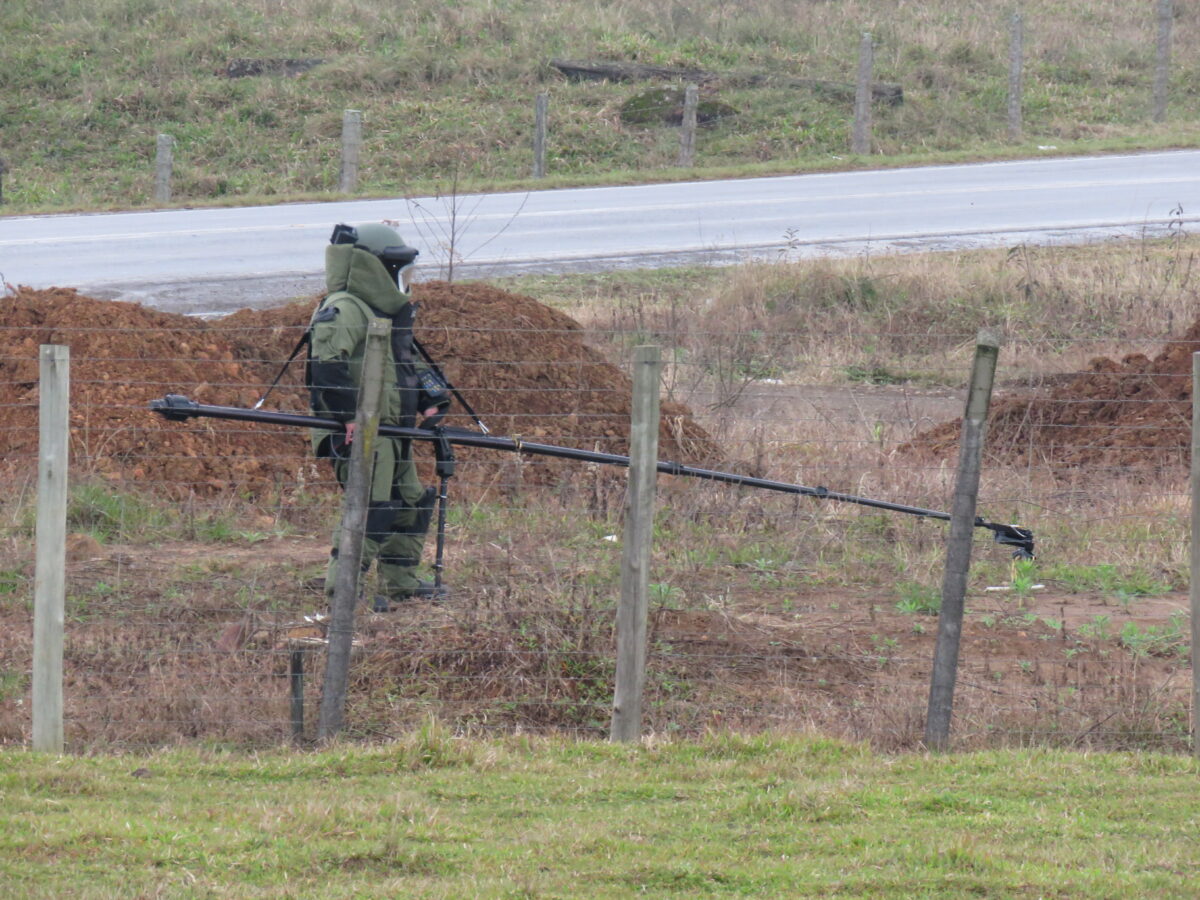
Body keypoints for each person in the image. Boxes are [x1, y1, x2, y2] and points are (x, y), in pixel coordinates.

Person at [307, 222, 450, 611]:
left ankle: (401, 584)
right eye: (398, 271)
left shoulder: (381, 311)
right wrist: (347, 417)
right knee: (371, 507)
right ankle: (343, 597)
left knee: (411, 503)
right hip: (363, 432)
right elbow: (325, 367)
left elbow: (404, 362)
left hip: (392, 430)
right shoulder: (345, 308)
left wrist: (429, 402)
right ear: (375, 269)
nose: (405, 281)